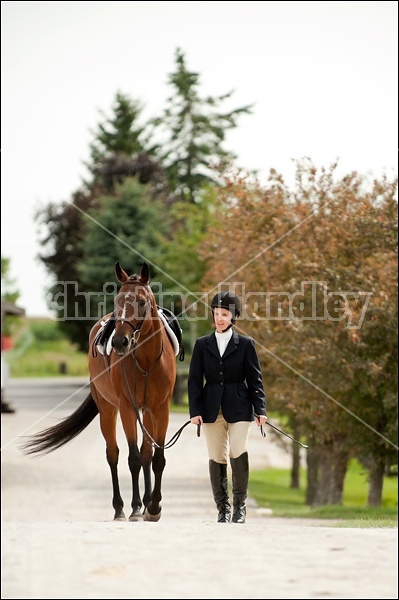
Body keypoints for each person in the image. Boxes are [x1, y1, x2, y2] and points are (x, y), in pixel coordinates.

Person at [188, 290, 267, 523]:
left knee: (238, 450)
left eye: (224, 314)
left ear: (234, 317)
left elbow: (255, 380)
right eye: (216, 313)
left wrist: (260, 409)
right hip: (211, 408)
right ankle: (222, 509)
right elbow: (194, 381)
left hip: (240, 407)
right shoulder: (202, 344)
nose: (220, 318)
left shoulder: (245, 344)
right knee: (216, 456)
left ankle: (239, 508)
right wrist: (195, 411)